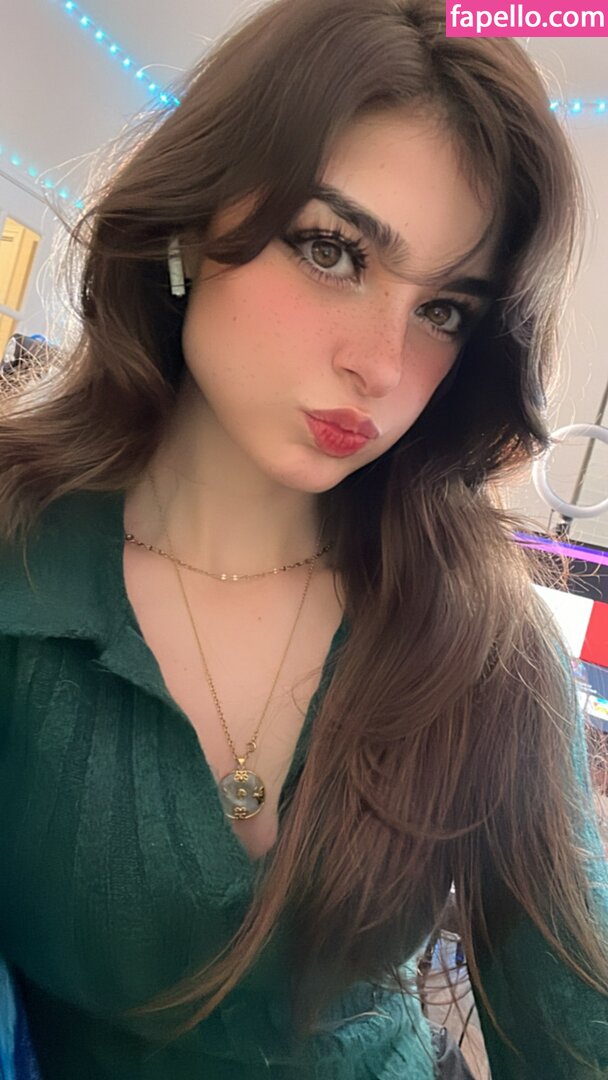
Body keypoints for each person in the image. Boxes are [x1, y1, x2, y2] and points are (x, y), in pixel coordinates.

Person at [0, 0, 606, 1076]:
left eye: (445, 310)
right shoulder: (22, 559)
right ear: (189, 227)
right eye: (332, 250)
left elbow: (577, 1019)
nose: (381, 364)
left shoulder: (483, 647)